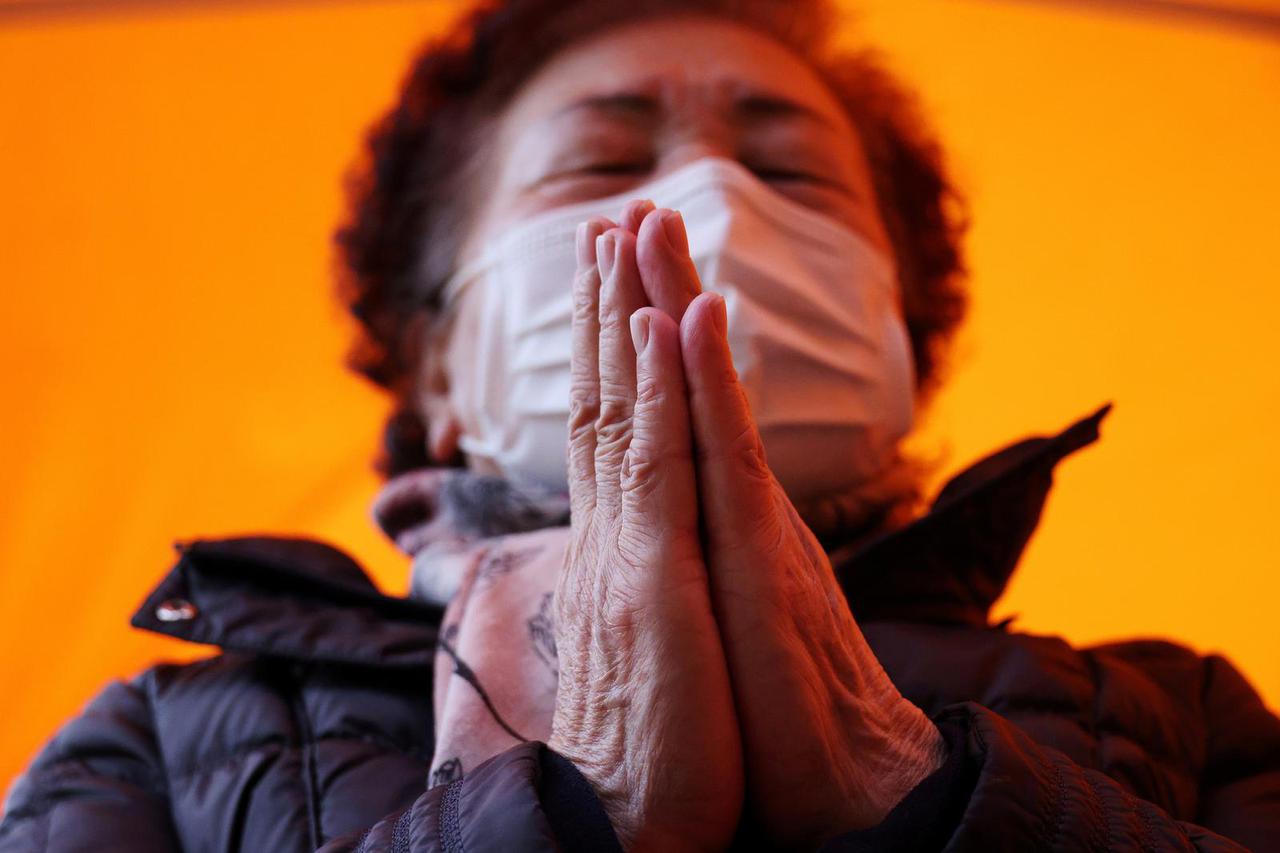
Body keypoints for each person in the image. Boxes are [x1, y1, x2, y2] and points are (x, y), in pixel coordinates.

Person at [2, 0, 1277, 850]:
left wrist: (921, 793)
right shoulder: (156, 750)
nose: (703, 201)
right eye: (601, 165)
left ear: (901, 340)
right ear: (435, 361)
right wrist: (566, 807)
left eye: (790, 173)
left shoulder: (1183, 717)